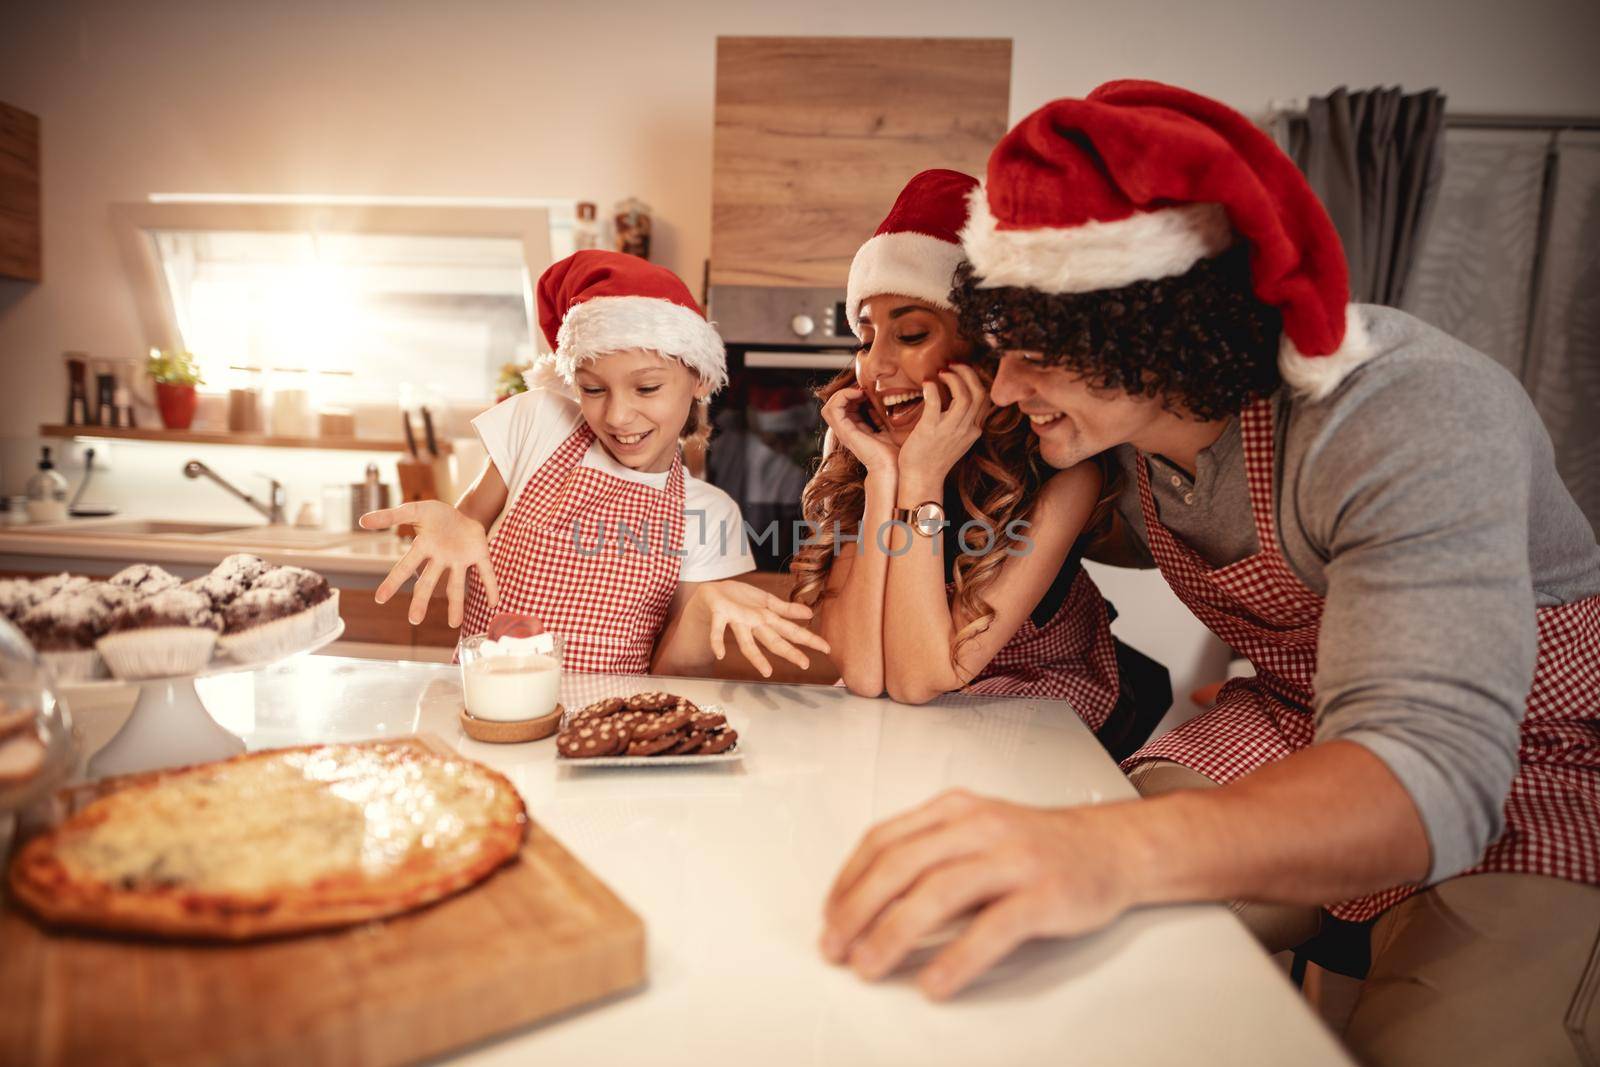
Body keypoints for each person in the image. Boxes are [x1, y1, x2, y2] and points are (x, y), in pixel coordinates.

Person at [819, 80, 1600, 1066]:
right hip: (1284, 721)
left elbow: (1431, 779)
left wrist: (1106, 852)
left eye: (1034, 355)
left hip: (1534, 763)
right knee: (1071, 973)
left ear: (1142, 329)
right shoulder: (1121, 454)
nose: (1008, 388)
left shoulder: (1407, 411)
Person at [793, 169, 1167, 749]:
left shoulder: (1065, 475)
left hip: (1045, 721)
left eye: (911, 334)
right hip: (921, 717)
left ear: (983, 347)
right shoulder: (866, 450)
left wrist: (920, 476)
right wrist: (885, 474)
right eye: (866, 339)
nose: (876, 367)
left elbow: (924, 677)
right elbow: (862, 671)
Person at [362, 250, 829, 678]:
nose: (618, 416)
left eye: (646, 388)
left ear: (700, 379)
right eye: (593, 389)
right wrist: (453, 527)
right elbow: (464, 532)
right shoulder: (539, 422)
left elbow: (672, 670)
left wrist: (707, 613)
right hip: (490, 708)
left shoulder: (710, 513)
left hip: (608, 733)